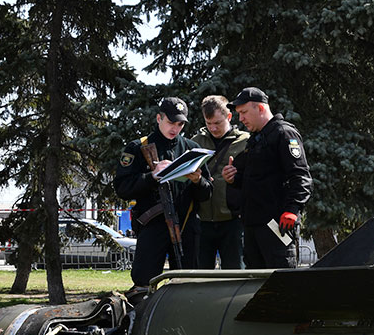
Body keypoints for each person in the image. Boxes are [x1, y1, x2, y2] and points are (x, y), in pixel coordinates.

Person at [114, 96, 213, 290]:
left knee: (187, 286)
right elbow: (122, 188)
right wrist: (152, 177)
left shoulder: (191, 150)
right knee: (144, 284)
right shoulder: (138, 147)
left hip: (186, 227)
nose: (175, 128)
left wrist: (197, 181)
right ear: (159, 118)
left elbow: (207, 193)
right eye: (171, 122)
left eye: (180, 124)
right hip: (153, 227)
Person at [221, 87, 311, 268]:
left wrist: (292, 210)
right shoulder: (256, 139)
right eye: (239, 114)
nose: (241, 119)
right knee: (254, 284)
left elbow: (301, 176)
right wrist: (233, 178)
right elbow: (255, 180)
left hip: (277, 225)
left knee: (281, 282)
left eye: (244, 112)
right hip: (253, 225)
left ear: (260, 108)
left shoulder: (284, 133)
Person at [192, 95, 250, 269]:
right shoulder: (195, 142)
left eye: (218, 122)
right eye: (209, 123)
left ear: (229, 117)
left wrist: (237, 177)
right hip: (202, 221)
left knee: (235, 273)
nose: (213, 128)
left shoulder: (246, 141)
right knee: (199, 276)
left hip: (233, 221)